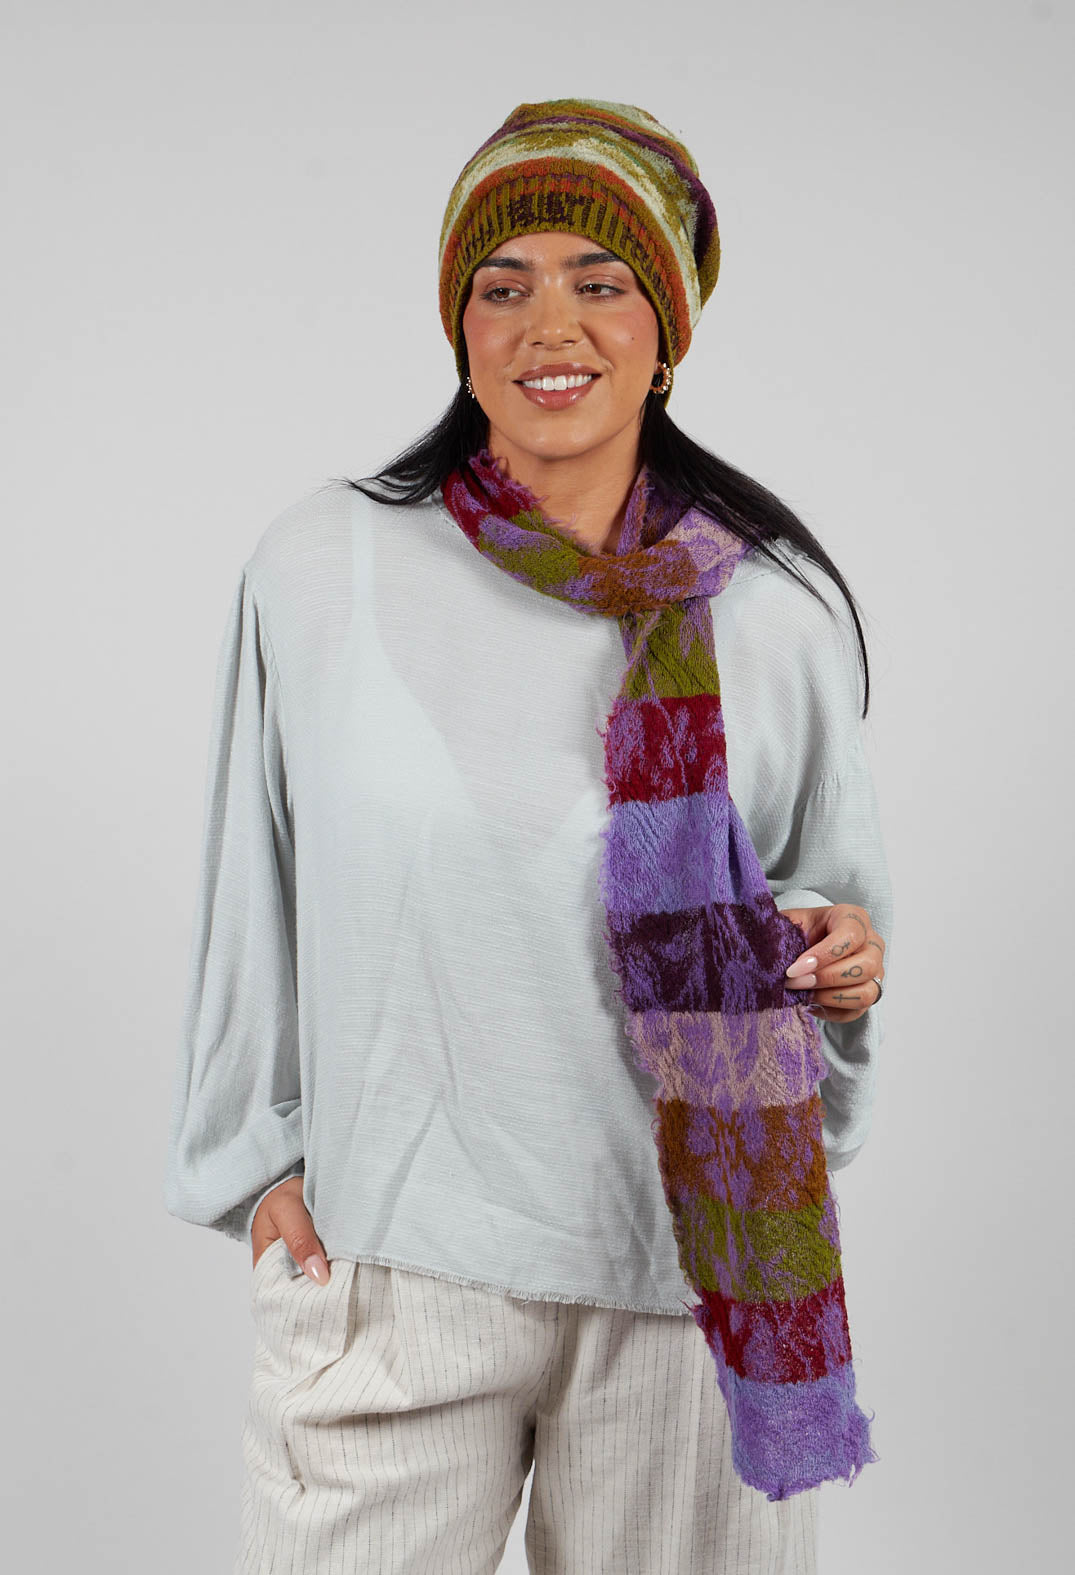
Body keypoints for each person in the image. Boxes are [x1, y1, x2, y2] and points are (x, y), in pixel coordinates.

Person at [164, 99, 893, 1574]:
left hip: (683, 1275)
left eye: (598, 281)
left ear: (665, 328)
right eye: (504, 285)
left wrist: (842, 958)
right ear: (460, 324)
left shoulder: (776, 610)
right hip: (395, 1262)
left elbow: (831, 904)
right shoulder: (323, 565)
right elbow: (254, 877)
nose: (548, 325)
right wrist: (253, 1158)